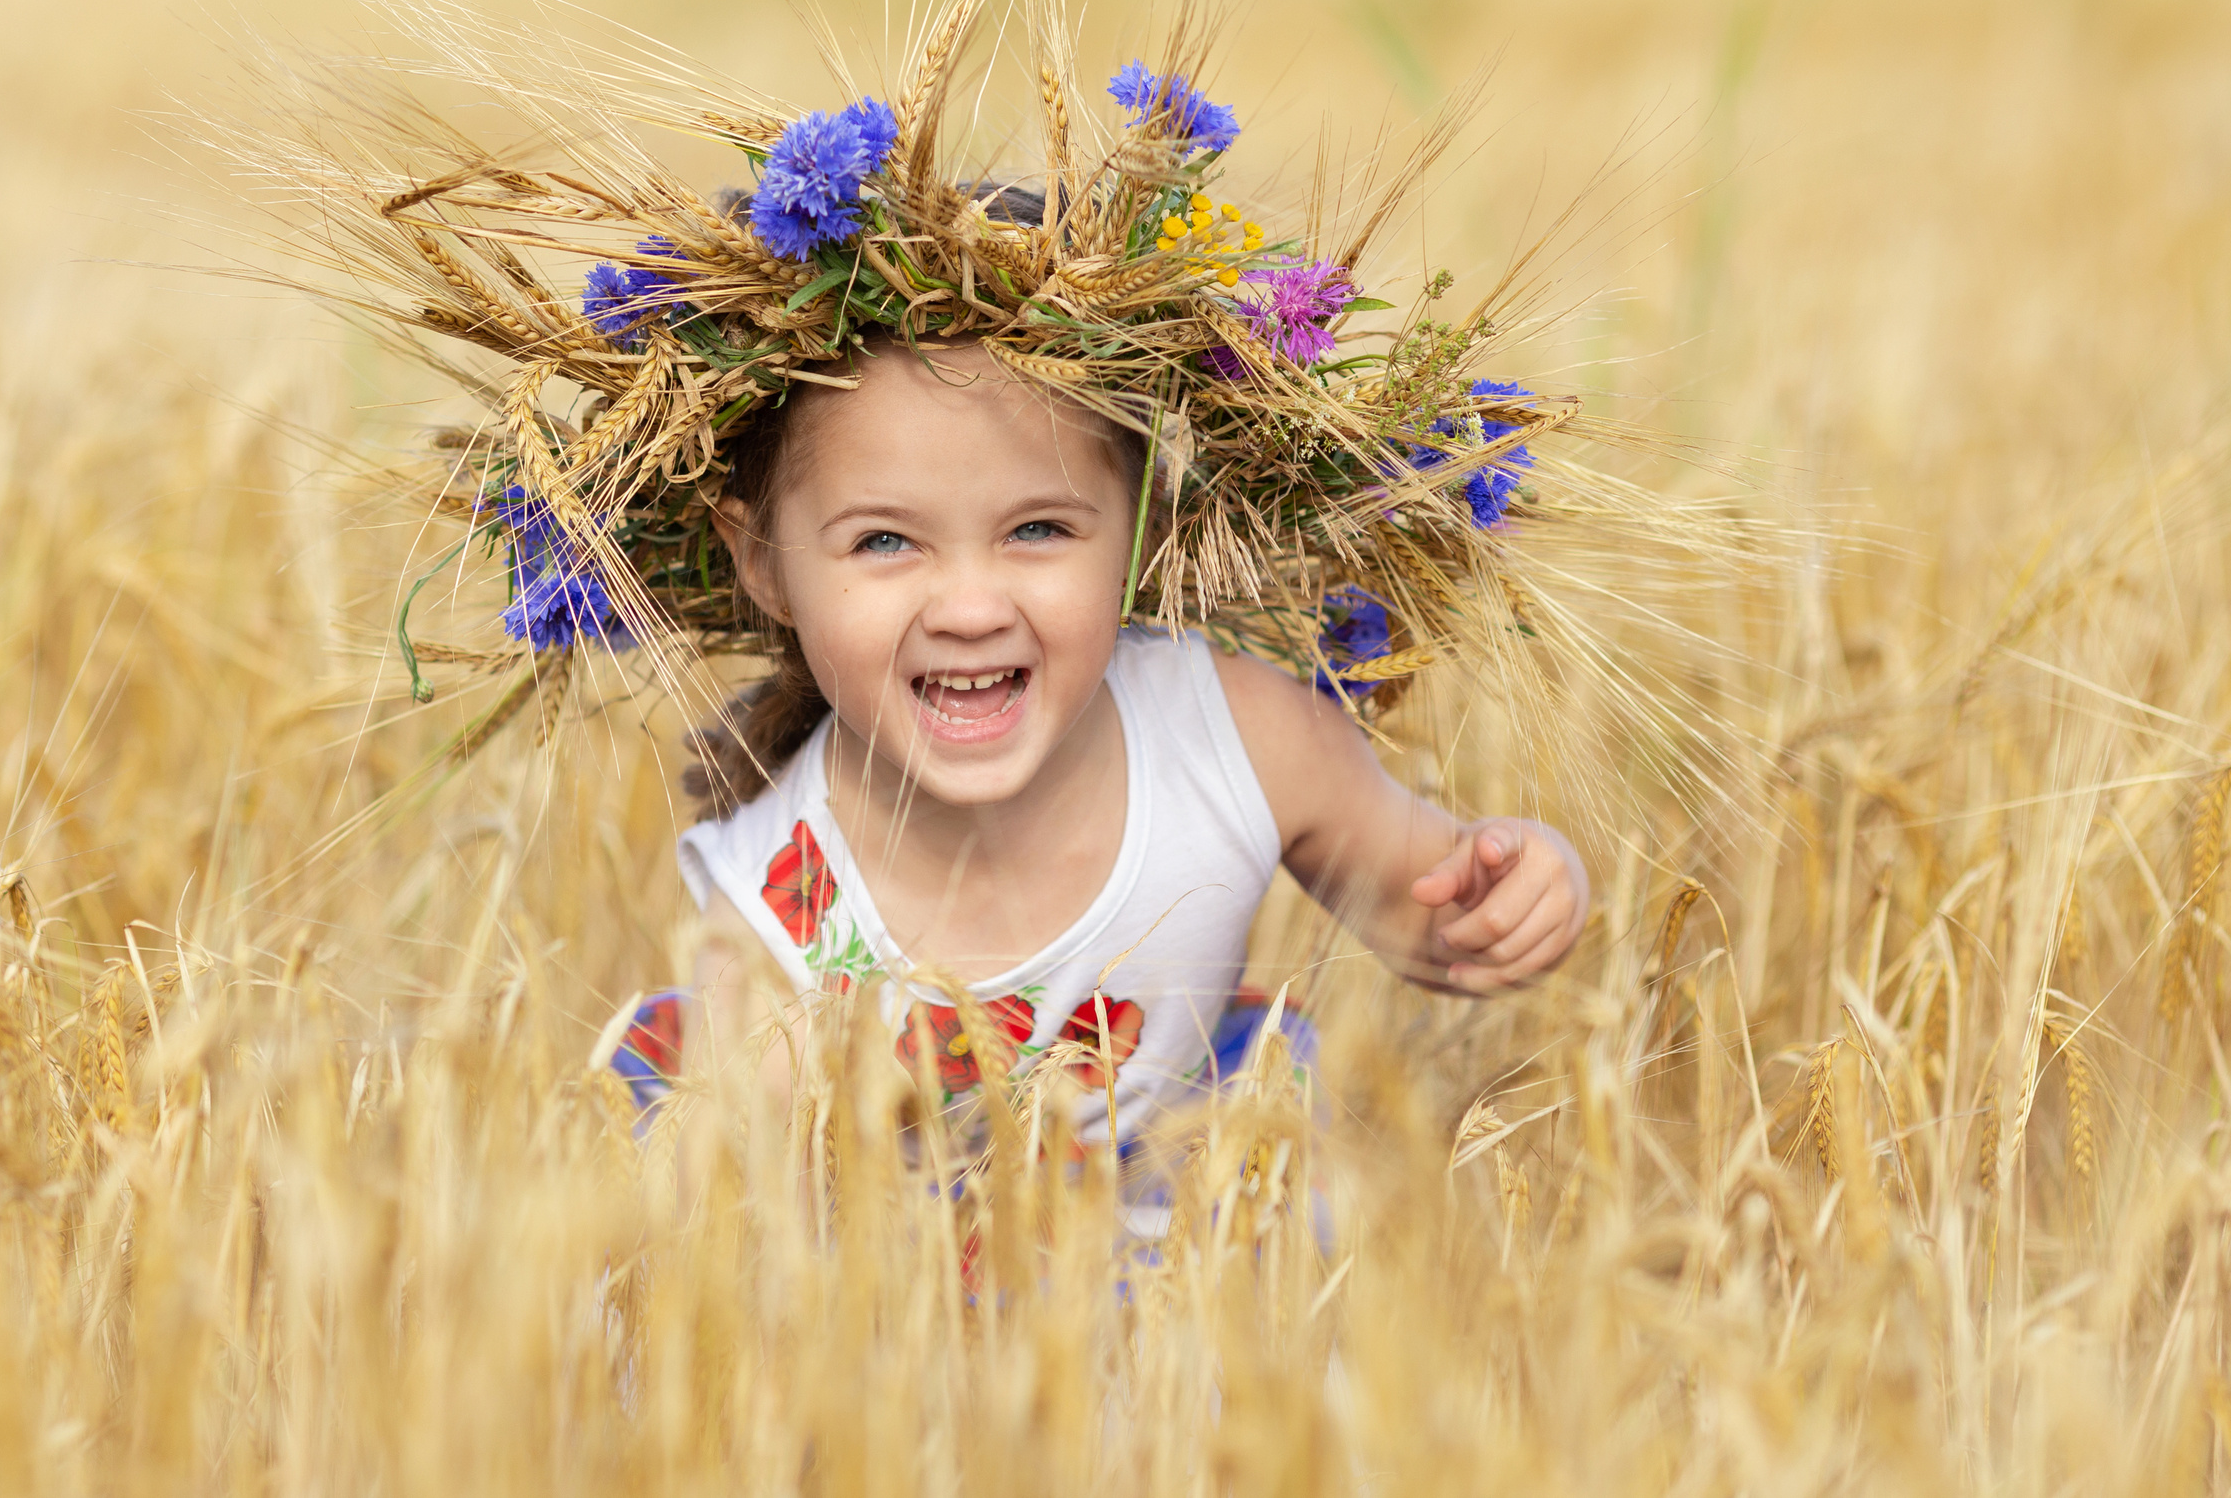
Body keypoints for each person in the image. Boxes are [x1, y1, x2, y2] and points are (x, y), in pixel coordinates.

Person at [596, 333, 1589, 1211]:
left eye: (1038, 529)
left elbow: (1432, 913)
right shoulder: (771, 918)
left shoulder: (1241, 738)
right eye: (884, 541)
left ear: (1142, 522)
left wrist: (1519, 891)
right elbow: (723, 1262)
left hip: (1181, 1245)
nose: (970, 606)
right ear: (761, 561)